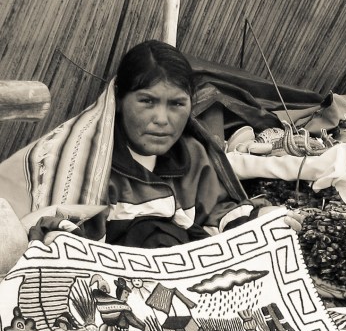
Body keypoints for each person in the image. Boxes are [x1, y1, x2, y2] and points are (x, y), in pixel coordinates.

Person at [2, 39, 301, 249]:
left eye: (176, 104)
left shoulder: (193, 157)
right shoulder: (85, 165)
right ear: (119, 101)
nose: (162, 119)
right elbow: (51, 225)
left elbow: (219, 212)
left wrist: (261, 219)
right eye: (146, 102)